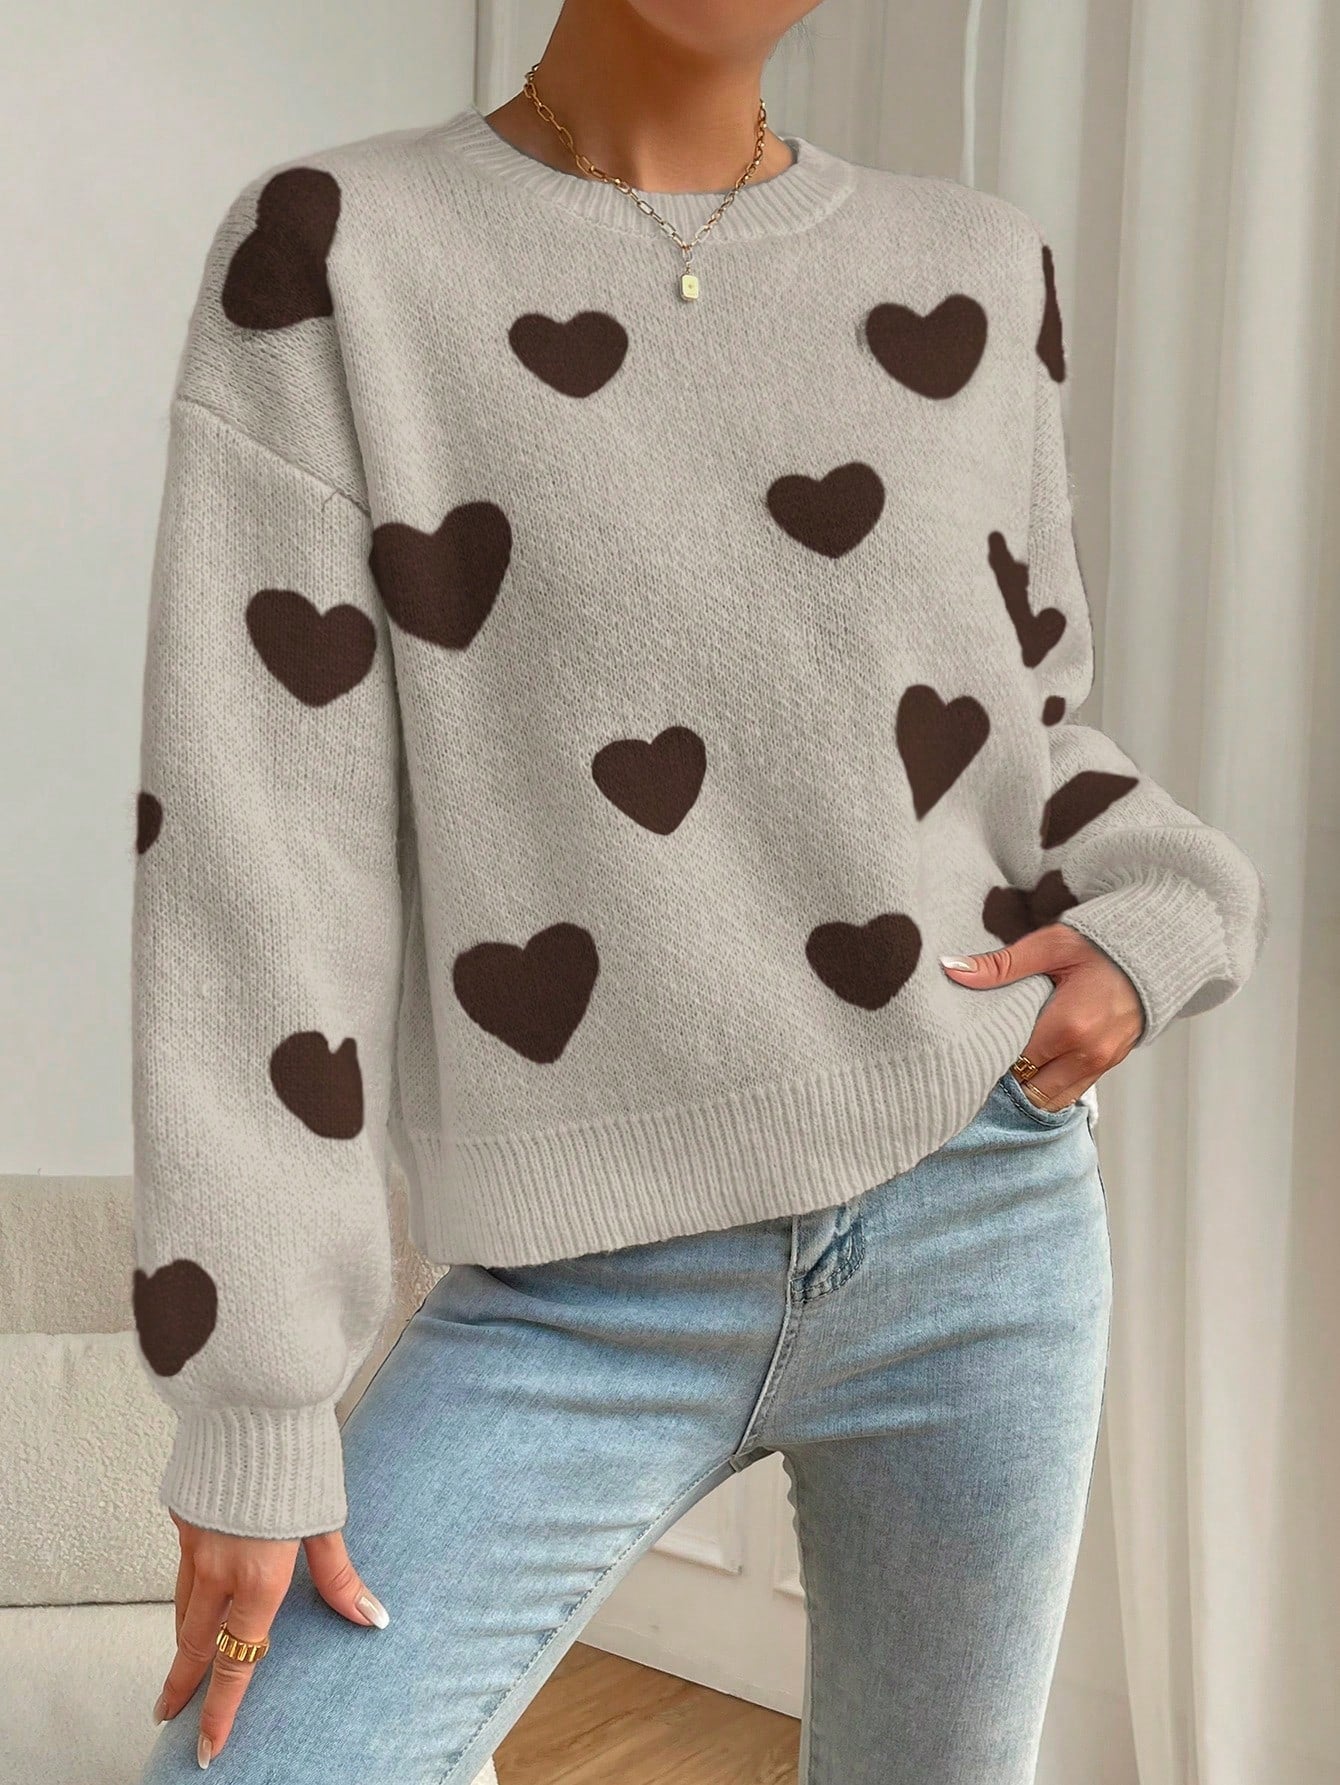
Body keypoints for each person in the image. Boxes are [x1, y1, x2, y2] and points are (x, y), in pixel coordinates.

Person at [130, 2, 1267, 1778]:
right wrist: (257, 1403)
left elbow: (1023, 726)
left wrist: (1165, 907)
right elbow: (253, 849)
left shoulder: (975, 272)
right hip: (576, 1289)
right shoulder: (338, 255)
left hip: (979, 1216)